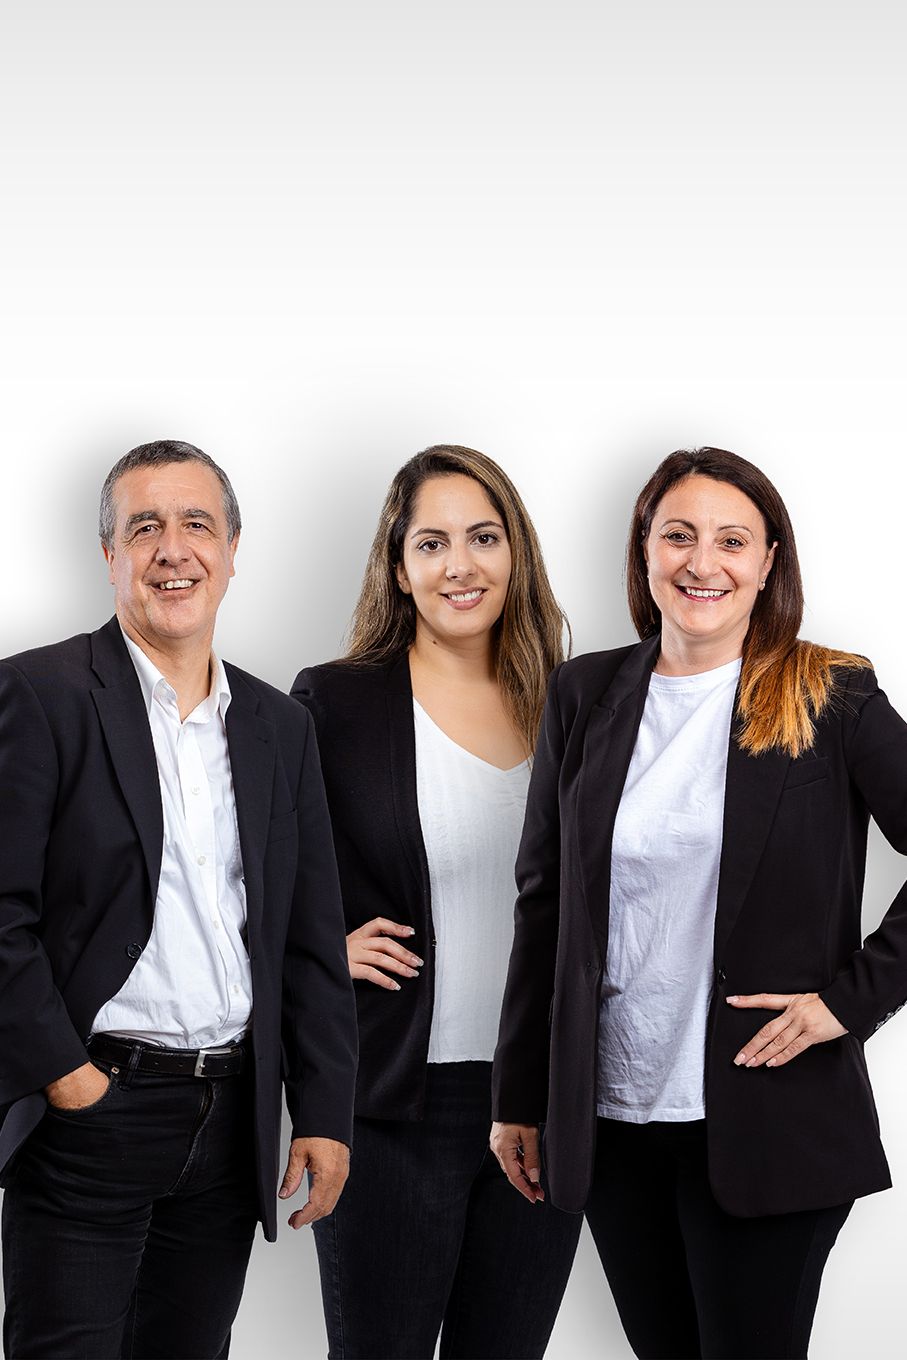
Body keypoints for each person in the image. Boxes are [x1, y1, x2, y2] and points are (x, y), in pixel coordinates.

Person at [491, 446, 907, 1360]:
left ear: (767, 562)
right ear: (644, 549)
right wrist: (518, 1096)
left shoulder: (828, 692)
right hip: (613, 1123)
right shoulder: (585, 691)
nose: (701, 562)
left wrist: (848, 1002)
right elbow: (544, 904)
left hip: (769, 1121)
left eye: (731, 540)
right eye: (677, 535)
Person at [0, 440, 358, 1359]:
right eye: (144, 527)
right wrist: (67, 1076)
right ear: (109, 556)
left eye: (197, 524)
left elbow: (308, 936)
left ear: (232, 551)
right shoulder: (39, 694)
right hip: (91, 1114)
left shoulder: (280, 725)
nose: (173, 549)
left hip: (231, 1119)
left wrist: (323, 1113)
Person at [292, 445, 582, 1360]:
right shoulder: (337, 703)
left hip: (542, 1102)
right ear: (398, 567)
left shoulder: (573, 703)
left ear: (516, 553)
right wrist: (319, 950)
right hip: (391, 1103)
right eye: (432, 543)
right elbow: (248, 872)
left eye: (483, 538)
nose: (460, 565)